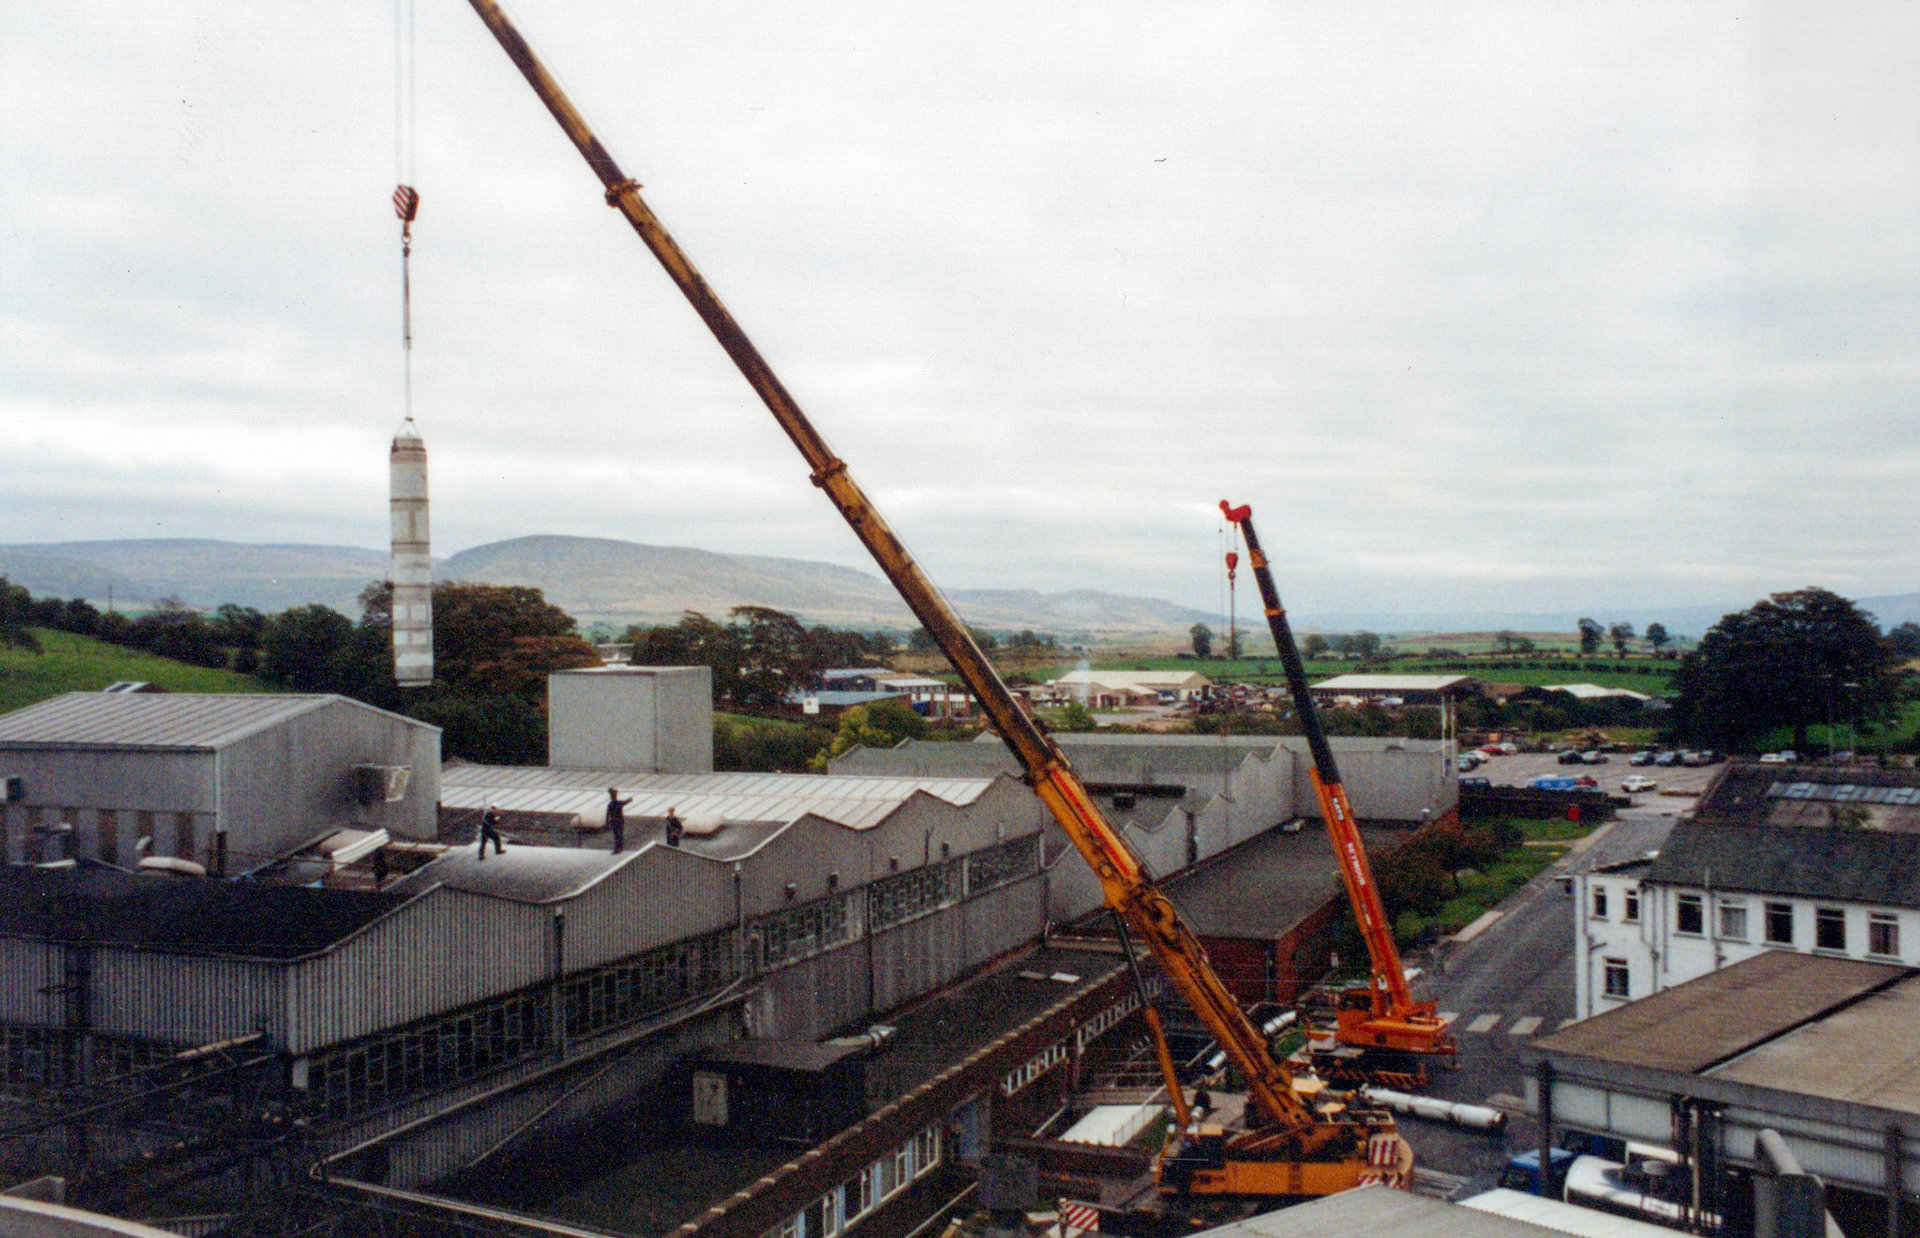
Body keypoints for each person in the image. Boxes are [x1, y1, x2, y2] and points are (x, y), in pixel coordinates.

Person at [606, 788, 633, 852]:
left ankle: (617, 848)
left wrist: (607, 822)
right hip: (620, 821)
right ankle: (620, 848)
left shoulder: (611, 804)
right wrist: (629, 800)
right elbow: (626, 802)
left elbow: (608, 814)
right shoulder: (619, 803)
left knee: (617, 835)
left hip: (615, 821)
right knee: (620, 835)